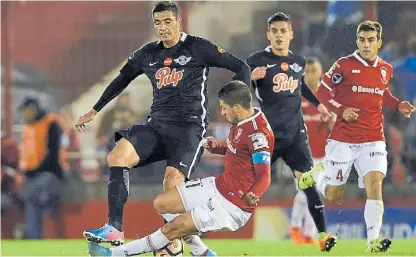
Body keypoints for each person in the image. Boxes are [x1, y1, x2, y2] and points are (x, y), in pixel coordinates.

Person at [75, 1, 250, 254]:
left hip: (189, 128)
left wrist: (242, 113)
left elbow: (241, 67)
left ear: (179, 22)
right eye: (158, 23)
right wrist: (95, 109)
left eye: (168, 22)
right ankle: (115, 228)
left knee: (171, 185)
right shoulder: (147, 54)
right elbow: (121, 79)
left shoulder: (198, 47)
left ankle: (179, 245)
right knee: (117, 156)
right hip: (156, 126)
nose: (163, 28)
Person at [88, 80, 274, 257]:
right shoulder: (241, 121)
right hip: (218, 186)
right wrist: (217, 147)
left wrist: (254, 194)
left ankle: (113, 254)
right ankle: (201, 252)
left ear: (237, 108)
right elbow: (238, 149)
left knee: (172, 228)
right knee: (162, 203)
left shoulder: (258, 134)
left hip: (233, 205)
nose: (222, 112)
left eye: (224, 108)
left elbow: (264, 174)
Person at [298, 20, 416, 252]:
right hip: (343, 138)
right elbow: (322, 90)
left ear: (379, 42)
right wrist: (341, 110)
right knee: (333, 194)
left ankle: (372, 241)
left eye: (371, 40)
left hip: (373, 138)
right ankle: (319, 173)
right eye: (362, 40)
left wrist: (398, 104)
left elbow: (383, 94)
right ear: (357, 41)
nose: (366, 44)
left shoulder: (385, 69)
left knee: (375, 184)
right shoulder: (343, 65)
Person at [245, 12, 336, 252]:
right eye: (274, 31)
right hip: (270, 137)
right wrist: (250, 79)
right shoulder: (256, 60)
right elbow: (238, 91)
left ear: (290, 34)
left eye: (282, 31)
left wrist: (319, 105)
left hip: (296, 137)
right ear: (268, 35)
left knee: (309, 185)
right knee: (248, 182)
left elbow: (301, 86)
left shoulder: (298, 62)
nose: (278, 36)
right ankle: (210, 221)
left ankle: (323, 235)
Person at [289, 57, 335, 244]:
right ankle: (296, 228)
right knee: (305, 193)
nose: (309, 75)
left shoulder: (327, 99)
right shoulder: (297, 98)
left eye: (313, 71)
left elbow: (334, 127)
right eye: (306, 71)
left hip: (323, 156)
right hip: (301, 156)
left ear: (321, 72)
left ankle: (307, 233)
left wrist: (330, 120)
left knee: (314, 193)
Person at [18, 97, 66, 239]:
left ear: (34, 109)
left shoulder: (51, 124)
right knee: (29, 197)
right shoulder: (28, 128)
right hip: (33, 176)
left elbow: (53, 155)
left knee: (33, 195)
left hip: (50, 173)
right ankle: (34, 234)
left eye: (27, 111)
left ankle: (34, 233)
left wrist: (33, 171)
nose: (25, 114)